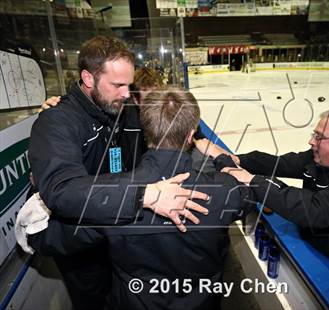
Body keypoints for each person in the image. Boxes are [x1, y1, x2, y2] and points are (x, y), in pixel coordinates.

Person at [28, 36, 208, 310]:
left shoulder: (122, 108)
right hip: (81, 243)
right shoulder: (57, 121)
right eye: (118, 85)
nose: (127, 93)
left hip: (119, 233)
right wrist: (142, 195)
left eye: (129, 84)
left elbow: (177, 127)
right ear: (88, 79)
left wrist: (226, 160)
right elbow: (62, 190)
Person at [35, 87, 255, 309]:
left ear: (145, 129)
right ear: (191, 134)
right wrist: (224, 161)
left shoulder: (110, 197)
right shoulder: (225, 190)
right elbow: (264, 195)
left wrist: (40, 182)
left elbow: (44, 238)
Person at [196, 107, 329, 302]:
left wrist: (252, 180)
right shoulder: (319, 158)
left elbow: (315, 210)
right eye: (314, 134)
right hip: (325, 254)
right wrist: (238, 160)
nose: (311, 141)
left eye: (320, 137)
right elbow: (281, 163)